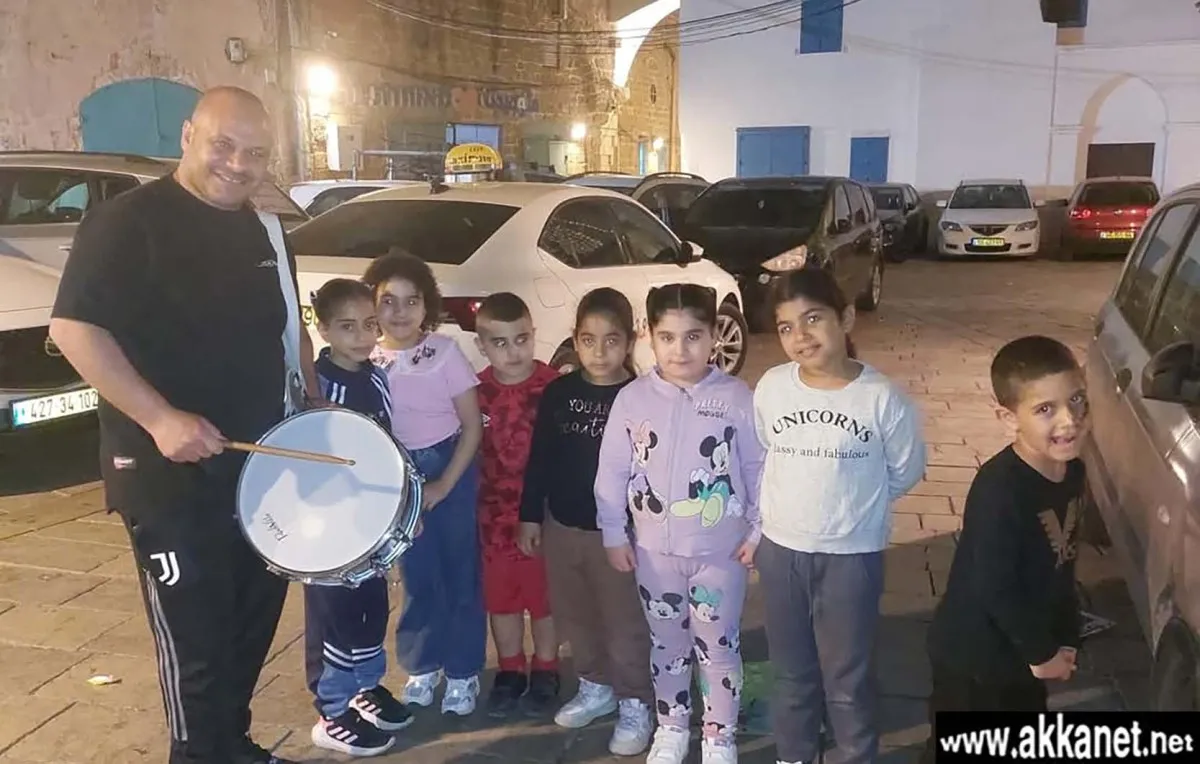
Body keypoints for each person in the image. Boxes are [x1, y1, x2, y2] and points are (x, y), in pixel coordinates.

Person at [48, 86, 318, 764]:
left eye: (255, 153)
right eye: (223, 145)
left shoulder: (265, 232)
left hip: (260, 469)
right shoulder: (127, 222)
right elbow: (75, 329)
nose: (237, 164)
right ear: (188, 136)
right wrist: (159, 418)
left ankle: (233, 746)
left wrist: (313, 416)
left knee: (248, 628)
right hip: (167, 478)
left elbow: (290, 334)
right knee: (196, 644)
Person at [751, 268, 925, 764]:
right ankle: (794, 753)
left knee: (847, 677)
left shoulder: (881, 398)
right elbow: (765, 448)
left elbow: (905, 469)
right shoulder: (772, 387)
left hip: (851, 558)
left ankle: (855, 753)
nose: (800, 336)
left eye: (813, 319)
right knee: (791, 671)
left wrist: (854, 509)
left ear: (845, 318)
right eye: (786, 327)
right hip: (781, 552)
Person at [594, 284, 765, 764]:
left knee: (719, 648)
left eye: (693, 336)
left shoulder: (736, 397)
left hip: (721, 555)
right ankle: (671, 726)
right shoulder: (632, 399)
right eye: (667, 337)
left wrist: (757, 532)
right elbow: (612, 470)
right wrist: (613, 531)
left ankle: (719, 735)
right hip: (654, 555)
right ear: (649, 335)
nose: (680, 350)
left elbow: (757, 468)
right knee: (667, 645)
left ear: (713, 336)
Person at [921, 336, 1088, 763]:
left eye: (1076, 399)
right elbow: (994, 585)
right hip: (975, 659)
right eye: (1045, 409)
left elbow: (1063, 564)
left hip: (1023, 652)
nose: (1069, 420)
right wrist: (1041, 653)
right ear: (1007, 417)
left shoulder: (1072, 473)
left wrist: (1066, 637)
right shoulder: (1000, 489)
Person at [518, 288, 655, 757]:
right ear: (575, 340)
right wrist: (530, 515)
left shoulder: (642, 396)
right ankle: (595, 685)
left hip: (619, 536)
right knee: (574, 613)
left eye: (611, 340)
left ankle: (636, 699)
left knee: (624, 621)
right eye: (588, 340)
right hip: (563, 526)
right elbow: (540, 458)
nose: (599, 352)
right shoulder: (559, 393)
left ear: (630, 341)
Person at [363, 251, 487, 717]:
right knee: (415, 575)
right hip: (397, 476)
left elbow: (472, 427)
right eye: (388, 301)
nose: (400, 312)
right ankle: (422, 665)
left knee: (460, 573)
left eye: (411, 301)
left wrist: (444, 485)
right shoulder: (367, 359)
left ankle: (463, 671)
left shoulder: (445, 352)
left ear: (427, 305)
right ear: (372, 305)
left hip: (449, 464)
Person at [301, 279, 413, 757]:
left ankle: (365, 686)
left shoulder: (377, 378)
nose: (364, 337)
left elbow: (389, 444)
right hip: (328, 529)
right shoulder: (314, 386)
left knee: (371, 608)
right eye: (348, 327)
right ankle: (331, 709)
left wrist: (402, 508)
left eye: (370, 325)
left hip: (371, 524)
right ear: (323, 329)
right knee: (334, 617)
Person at [472, 292, 563, 717]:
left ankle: (546, 666)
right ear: (481, 346)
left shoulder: (553, 388)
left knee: (544, 599)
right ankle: (510, 669)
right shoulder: (475, 392)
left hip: (542, 517)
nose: (513, 352)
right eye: (500, 343)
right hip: (492, 520)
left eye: (522, 339)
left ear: (533, 335)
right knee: (502, 601)